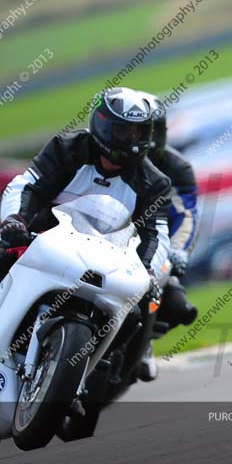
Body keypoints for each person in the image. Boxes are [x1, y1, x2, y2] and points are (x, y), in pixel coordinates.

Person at [0, 87, 174, 380]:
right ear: (103, 126)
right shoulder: (66, 149)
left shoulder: (154, 182)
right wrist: (14, 221)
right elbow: (27, 186)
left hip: (105, 259)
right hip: (44, 242)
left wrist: (148, 271)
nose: (132, 140)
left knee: (135, 315)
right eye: (124, 131)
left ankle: (93, 375)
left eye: (139, 132)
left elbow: (156, 234)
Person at [139, 91, 199, 330]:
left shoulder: (177, 168)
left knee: (176, 306)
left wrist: (177, 249)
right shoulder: (92, 156)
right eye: (134, 130)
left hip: (150, 245)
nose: (140, 138)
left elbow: (185, 214)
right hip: (97, 240)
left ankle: (143, 350)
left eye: (150, 130)